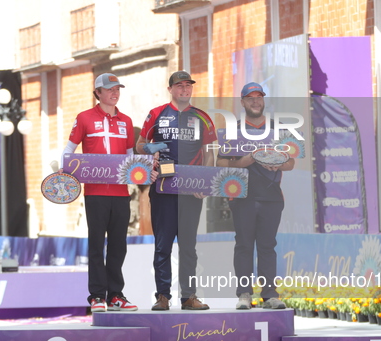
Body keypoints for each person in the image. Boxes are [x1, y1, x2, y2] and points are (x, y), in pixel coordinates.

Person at [136, 71, 216, 311]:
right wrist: (151, 152)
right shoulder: (156, 113)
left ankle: (189, 297)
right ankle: (162, 296)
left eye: (188, 86)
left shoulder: (202, 117)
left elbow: (210, 152)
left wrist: (205, 181)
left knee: (189, 246)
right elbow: (139, 144)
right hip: (163, 187)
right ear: (170, 89)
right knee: (163, 245)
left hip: (192, 191)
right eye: (179, 86)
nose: (184, 90)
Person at [60, 73, 137, 313]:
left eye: (117, 89)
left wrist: (144, 170)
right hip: (94, 193)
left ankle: (116, 295)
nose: (115, 93)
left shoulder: (126, 120)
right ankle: (96, 296)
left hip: (121, 193)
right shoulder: (84, 118)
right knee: (96, 244)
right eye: (110, 89)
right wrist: (66, 172)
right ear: (98, 92)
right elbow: (68, 153)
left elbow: (131, 158)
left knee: (118, 245)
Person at [216, 82, 295, 310]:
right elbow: (220, 161)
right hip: (242, 197)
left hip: (271, 196)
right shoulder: (234, 130)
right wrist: (244, 161)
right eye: (250, 98)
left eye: (258, 97)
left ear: (263, 100)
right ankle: (244, 294)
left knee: (268, 246)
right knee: (243, 245)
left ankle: (270, 294)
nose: (255, 101)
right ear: (242, 102)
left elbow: (291, 162)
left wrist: (278, 162)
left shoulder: (278, 130)